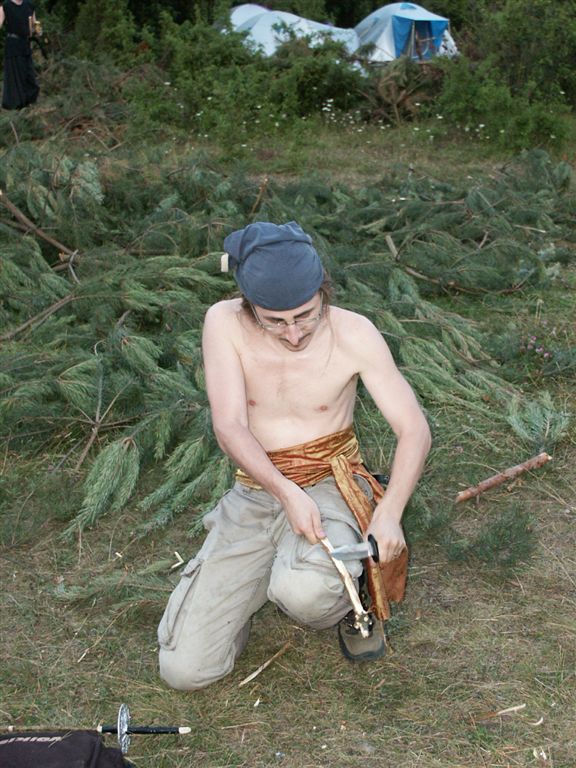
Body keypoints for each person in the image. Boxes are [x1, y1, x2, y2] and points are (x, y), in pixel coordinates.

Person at [158, 221, 431, 690]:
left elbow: (414, 429)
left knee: (304, 594)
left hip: (330, 478)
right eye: (275, 321)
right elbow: (229, 426)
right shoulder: (223, 323)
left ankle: (349, 595)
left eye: (305, 316)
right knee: (184, 671)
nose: (294, 334)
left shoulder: (354, 333)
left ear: (323, 290)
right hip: (257, 487)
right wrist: (285, 493)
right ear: (248, 305)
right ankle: (254, 585)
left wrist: (389, 513)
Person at [0, 0, 40, 110]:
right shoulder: (6, 6)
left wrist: (37, 31)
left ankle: (29, 102)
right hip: (13, 45)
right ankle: (16, 105)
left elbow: (34, 27)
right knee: (15, 76)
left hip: (25, 45)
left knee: (29, 74)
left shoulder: (29, 5)